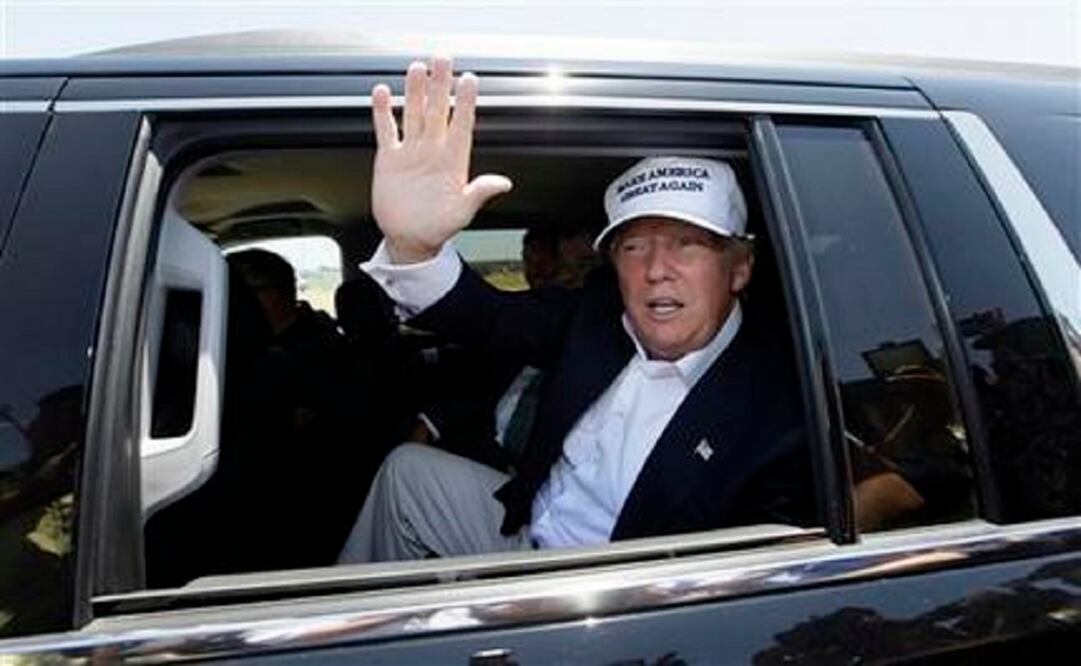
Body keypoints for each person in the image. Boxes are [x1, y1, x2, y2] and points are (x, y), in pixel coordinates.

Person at [338, 58, 812, 563]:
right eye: (634, 247)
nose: (656, 269)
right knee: (407, 473)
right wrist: (416, 248)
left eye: (687, 244)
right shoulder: (595, 316)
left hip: (606, 591)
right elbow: (491, 316)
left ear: (739, 268)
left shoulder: (779, 406)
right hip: (522, 527)